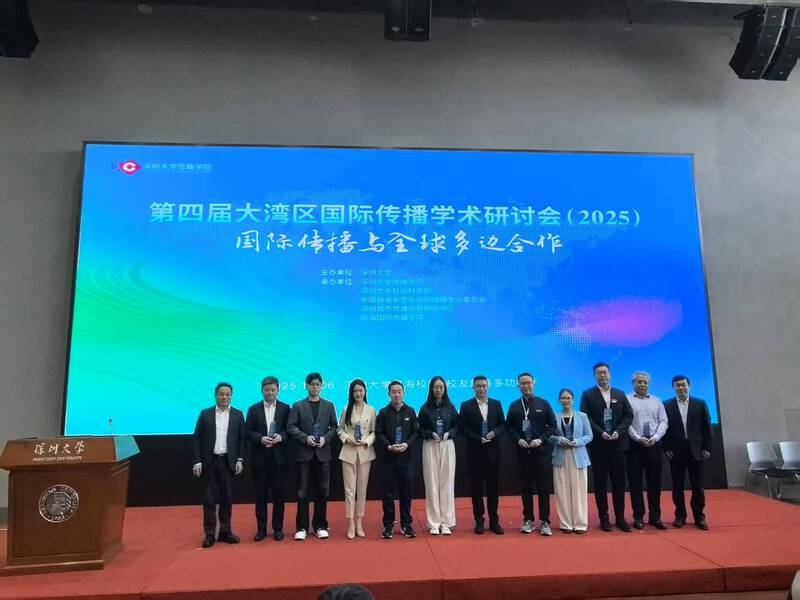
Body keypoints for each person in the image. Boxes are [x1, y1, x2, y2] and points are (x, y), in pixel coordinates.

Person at [579, 362, 634, 532]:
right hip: (599, 445)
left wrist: (618, 431)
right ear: (594, 375)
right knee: (600, 483)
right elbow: (584, 417)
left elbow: (629, 414)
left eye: (605, 372)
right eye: (599, 373)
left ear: (610, 374)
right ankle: (604, 518)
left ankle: (620, 518)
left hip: (618, 444)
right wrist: (600, 432)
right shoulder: (587, 394)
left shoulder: (619, 393)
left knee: (619, 483)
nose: (602, 375)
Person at [191, 382, 246, 548]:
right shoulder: (205, 414)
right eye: (221, 394)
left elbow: (241, 439)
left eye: (227, 394)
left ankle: (225, 532)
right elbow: (196, 438)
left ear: (231, 396)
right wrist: (197, 460)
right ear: (215, 395)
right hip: (209, 461)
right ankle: (209, 534)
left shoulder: (238, 414)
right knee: (209, 500)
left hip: (228, 462)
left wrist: (240, 459)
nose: (224, 397)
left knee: (227, 498)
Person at [287, 372, 338, 540]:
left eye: (317, 384)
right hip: (304, 454)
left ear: (321, 386)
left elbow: (334, 427)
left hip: (323, 455)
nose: (315, 387)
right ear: (306, 386)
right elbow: (291, 427)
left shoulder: (329, 405)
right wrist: (305, 438)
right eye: (312, 384)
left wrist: (325, 439)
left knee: (322, 491)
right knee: (302, 492)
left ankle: (320, 526)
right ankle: (302, 527)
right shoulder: (298, 405)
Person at [506, 372, 557, 536]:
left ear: (534, 383)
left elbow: (553, 426)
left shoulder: (543, 403)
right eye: (522, 383)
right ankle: (528, 519)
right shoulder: (514, 406)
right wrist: (518, 439)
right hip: (523, 453)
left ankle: (545, 521)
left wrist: (541, 440)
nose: (526, 386)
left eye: (528, 383)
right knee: (526, 488)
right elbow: (509, 428)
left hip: (541, 453)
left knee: (543, 488)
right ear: (518, 386)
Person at [663, 375, 713, 530]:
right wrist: (666, 448)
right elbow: (664, 429)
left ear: (689, 386)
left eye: (683, 385)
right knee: (677, 485)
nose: (681, 388)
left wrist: (707, 447)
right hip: (676, 451)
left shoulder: (700, 403)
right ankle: (680, 516)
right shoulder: (666, 405)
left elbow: (707, 427)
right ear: (673, 387)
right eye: (677, 385)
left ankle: (699, 517)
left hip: (696, 450)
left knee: (698, 486)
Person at [459, 375, 506, 535]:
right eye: (478, 386)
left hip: (493, 453)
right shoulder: (466, 405)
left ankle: (494, 521)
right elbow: (463, 428)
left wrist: (495, 433)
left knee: (493, 489)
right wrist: (477, 438)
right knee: (476, 489)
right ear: (473, 388)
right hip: (475, 453)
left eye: (484, 386)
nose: (481, 388)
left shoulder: (496, 404)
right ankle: (479, 520)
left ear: (488, 387)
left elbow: (502, 425)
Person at [245, 375, 291, 541]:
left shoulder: (286, 408)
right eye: (266, 390)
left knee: (279, 496)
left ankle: (278, 529)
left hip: (279, 459)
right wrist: (260, 439)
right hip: (260, 458)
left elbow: (290, 429)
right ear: (261, 391)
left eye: (272, 390)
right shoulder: (253, 409)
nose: (269, 393)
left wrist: (281, 436)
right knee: (260, 496)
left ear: (278, 390)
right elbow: (248, 432)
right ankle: (261, 529)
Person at [375, 380, 419, 539]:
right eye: (393, 392)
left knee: (406, 492)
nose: (397, 395)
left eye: (399, 391)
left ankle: (406, 524)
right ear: (388, 394)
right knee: (387, 493)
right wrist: (388, 446)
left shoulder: (410, 411)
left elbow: (416, 432)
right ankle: (388, 524)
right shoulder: (383, 412)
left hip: (406, 458)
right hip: (388, 458)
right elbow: (378, 433)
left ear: (404, 393)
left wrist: (407, 444)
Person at [626, 371, 668, 530]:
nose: (642, 385)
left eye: (645, 382)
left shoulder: (657, 401)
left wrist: (656, 437)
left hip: (654, 444)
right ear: (633, 384)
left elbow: (664, 421)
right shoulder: (626, 400)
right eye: (639, 382)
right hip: (634, 446)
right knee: (635, 483)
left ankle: (655, 517)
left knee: (655, 483)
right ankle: (638, 517)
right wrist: (638, 438)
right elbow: (625, 422)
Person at [337, 378, 377, 539]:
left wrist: (367, 441)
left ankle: (359, 522)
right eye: (355, 391)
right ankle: (351, 523)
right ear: (351, 393)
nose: (358, 394)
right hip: (348, 452)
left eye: (361, 390)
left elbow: (374, 432)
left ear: (365, 392)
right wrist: (347, 439)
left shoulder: (371, 410)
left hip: (365, 452)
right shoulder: (346, 409)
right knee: (349, 490)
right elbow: (340, 430)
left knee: (362, 489)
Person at [418, 376, 458, 535]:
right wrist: (430, 433)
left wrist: (450, 433)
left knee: (447, 483)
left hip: (447, 445)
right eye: (436, 387)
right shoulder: (425, 408)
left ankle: (446, 522)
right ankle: (434, 523)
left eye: (441, 387)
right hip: (430, 445)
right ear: (431, 389)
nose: (438, 390)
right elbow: (419, 429)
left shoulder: (451, 407)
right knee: (432, 483)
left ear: (445, 389)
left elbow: (457, 426)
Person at [550, 388, 593, 534]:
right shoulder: (554, 417)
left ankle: (580, 524)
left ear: (573, 400)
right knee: (562, 492)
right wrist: (558, 440)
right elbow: (549, 436)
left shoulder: (582, 416)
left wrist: (577, 441)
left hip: (578, 456)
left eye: (568, 398)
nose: (566, 400)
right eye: (563, 398)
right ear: (559, 400)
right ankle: (566, 524)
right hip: (560, 456)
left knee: (579, 491)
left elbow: (589, 435)